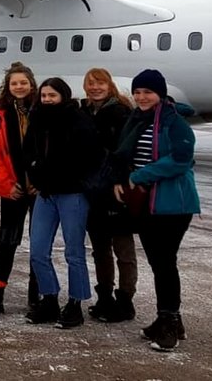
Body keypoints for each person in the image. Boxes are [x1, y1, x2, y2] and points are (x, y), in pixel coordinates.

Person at [112, 69, 200, 352]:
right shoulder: (137, 119)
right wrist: (120, 179)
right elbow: (126, 154)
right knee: (159, 262)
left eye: (147, 92)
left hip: (172, 203)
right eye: (137, 92)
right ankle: (172, 318)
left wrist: (139, 176)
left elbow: (182, 160)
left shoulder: (174, 122)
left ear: (160, 94)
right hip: (145, 201)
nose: (141, 97)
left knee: (164, 263)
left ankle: (169, 325)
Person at [24, 77, 102, 329]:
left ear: (63, 96)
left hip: (72, 193)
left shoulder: (78, 120)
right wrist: (36, 175)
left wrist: (53, 173)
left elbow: (86, 156)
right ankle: (49, 298)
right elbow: (28, 153)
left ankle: (75, 303)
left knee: (74, 252)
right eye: (44, 95)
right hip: (45, 193)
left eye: (52, 96)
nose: (47, 100)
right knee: (37, 251)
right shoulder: (36, 119)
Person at [0, 62, 39, 319]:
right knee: (7, 241)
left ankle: (36, 295)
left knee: (39, 243)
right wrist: (6, 183)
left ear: (31, 84)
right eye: (15, 83)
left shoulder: (42, 111)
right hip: (13, 188)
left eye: (23, 82)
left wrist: (41, 181)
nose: (19, 87)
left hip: (38, 189)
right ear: (8, 86)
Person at [80, 67, 137, 322]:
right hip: (92, 189)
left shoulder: (121, 112)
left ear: (109, 85)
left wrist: (120, 180)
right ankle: (105, 297)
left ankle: (125, 300)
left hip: (115, 189)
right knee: (100, 248)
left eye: (100, 83)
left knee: (123, 248)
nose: (95, 88)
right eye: (91, 84)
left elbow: (127, 151)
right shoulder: (84, 112)